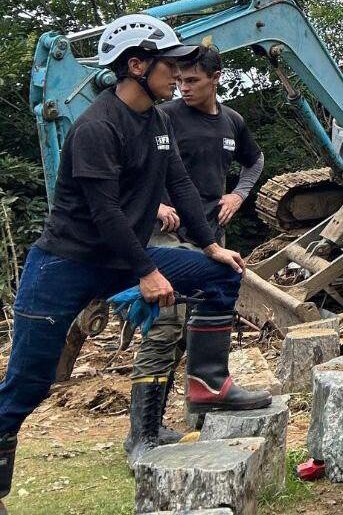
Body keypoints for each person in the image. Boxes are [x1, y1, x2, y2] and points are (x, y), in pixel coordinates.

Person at [0, 15, 270, 502]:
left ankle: (208, 385)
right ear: (136, 65)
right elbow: (105, 213)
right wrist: (147, 271)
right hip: (65, 266)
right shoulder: (96, 128)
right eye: (172, 67)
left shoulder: (157, 120)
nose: (179, 77)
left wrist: (210, 244)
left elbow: (181, 185)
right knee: (28, 385)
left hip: (124, 257)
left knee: (220, 275)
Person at [124, 45, 266, 463]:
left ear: (216, 77)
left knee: (194, 329)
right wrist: (153, 204)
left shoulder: (232, 122)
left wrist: (239, 194)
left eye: (193, 81)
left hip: (208, 236)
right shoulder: (163, 117)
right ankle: (141, 435)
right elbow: (130, 170)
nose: (183, 87)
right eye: (180, 80)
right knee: (164, 325)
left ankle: (196, 409)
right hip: (164, 237)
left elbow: (255, 162)